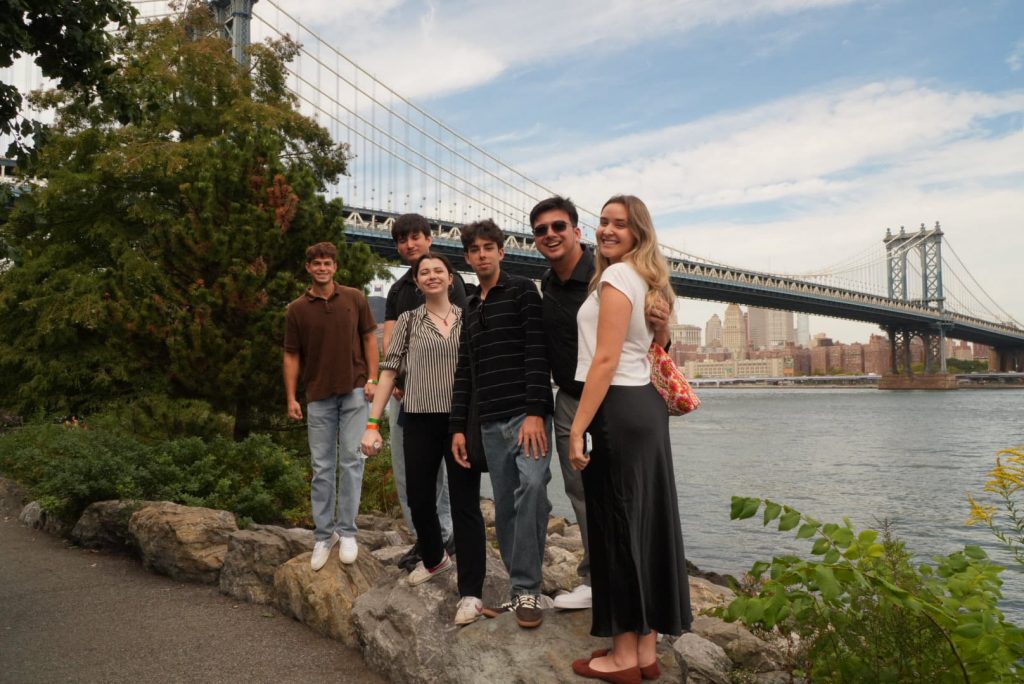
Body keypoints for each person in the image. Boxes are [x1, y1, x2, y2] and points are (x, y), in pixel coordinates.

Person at [569, 196, 693, 683]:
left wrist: (578, 427)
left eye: (619, 224)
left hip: (617, 408)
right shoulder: (647, 279)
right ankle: (644, 652)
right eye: (602, 221)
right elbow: (651, 348)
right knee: (645, 523)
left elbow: (605, 359)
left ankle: (621, 659)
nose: (606, 230)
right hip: (646, 408)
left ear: (638, 233)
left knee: (618, 527)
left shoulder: (618, 277)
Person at [532, 196, 673, 612]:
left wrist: (663, 326)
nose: (550, 235)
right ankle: (599, 582)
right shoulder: (552, 284)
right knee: (584, 495)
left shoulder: (616, 277)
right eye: (541, 231)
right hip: (571, 397)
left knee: (620, 500)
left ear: (576, 232)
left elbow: (634, 351)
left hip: (612, 401)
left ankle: (624, 596)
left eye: (559, 227)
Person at [361, 252, 487, 626]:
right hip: (416, 418)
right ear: (416, 282)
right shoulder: (407, 323)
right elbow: (388, 372)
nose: (431, 276)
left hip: (460, 423)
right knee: (419, 499)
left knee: (465, 505)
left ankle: (472, 592)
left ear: (452, 279)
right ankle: (434, 559)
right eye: (424, 272)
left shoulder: (470, 319)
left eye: (439, 271)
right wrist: (372, 424)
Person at [449, 219, 554, 629]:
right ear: (468, 257)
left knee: (532, 487)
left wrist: (534, 412)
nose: (482, 254)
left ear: (502, 251)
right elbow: (464, 373)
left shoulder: (524, 290)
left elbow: (537, 352)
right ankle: (522, 591)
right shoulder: (471, 308)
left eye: (489, 247)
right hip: (489, 423)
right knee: (507, 507)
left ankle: (527, 586)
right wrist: (459, 427)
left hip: (526, 417)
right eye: (474, 249)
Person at [284, 242, 379, 570]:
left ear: (335, 267)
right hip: (318, 396)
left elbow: (370, 338)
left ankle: (348, 531)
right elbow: (291, 354)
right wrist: (291, 396)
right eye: (316, 264)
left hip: (354, 391)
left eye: (327, 263)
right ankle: (325, 535)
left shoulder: (354, 298)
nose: (322, 268)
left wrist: (373, 378)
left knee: (352, 461)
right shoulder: (297, 309)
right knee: (322, 467)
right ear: (308, 268)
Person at [383, 214, 465, 571]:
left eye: (415, 237)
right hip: (407, 397)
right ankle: (425, 538)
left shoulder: (453, 281)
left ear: (430, 239)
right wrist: (398, 381)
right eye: (402, 239)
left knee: (447, 475)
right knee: (410, 473)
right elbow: (390, 341)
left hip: (448, 401)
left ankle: (446, 535)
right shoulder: (398, 290)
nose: (409, 244)